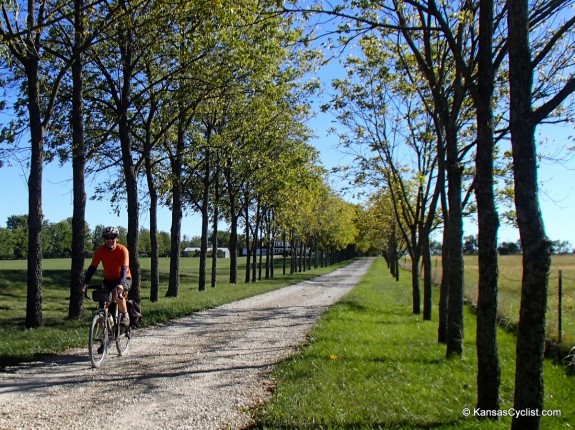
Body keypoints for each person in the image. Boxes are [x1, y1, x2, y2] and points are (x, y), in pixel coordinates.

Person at [83, 226, 131, 327]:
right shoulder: (100, 251)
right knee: (102, 304)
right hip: (108, 279)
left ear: (117, 239)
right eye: (107, 238)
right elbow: (92, 267)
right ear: (104, 239)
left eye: (113, 237)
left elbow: (124, 268)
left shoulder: (123, 250)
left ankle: (125, 315)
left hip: (124, 277)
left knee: (118, 295)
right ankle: (105, 335)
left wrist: (121, 284)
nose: (110, 240)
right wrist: (85, 284)